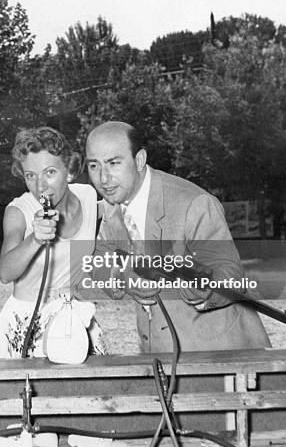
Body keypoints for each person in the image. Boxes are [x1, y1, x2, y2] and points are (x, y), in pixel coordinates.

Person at [85, 120, 271, 353]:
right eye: (94, 166)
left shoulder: (194, 203)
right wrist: (124, 275)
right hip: (158, 353)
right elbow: (98, 260)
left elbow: (230, 275)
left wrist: (195, 283)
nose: (103, 178)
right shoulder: (113, 206)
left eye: (113, 163)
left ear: (139, 160)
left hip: (220, 353)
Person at [0, 126, 107, 358]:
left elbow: (111, 211)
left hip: (72, 317)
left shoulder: (88, 196)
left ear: (70, 171)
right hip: (28, 320)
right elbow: (5, 272)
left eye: (49, 172)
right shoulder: (18, 212)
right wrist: (35, 238)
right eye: (31, 176)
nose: (40, 186)